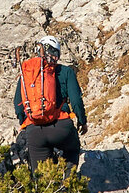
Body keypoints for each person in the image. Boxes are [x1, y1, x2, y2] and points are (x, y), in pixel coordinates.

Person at [13, 36, 88, 168]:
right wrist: (82, 121)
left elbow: (18, 105)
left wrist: (28, 122)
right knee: (72, 150)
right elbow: (76, 101)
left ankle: (50, 187)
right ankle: (69, 183)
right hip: (62, 126)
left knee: (42, 178)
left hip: (35, 130)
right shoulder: (66, 72)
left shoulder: (28, 74)